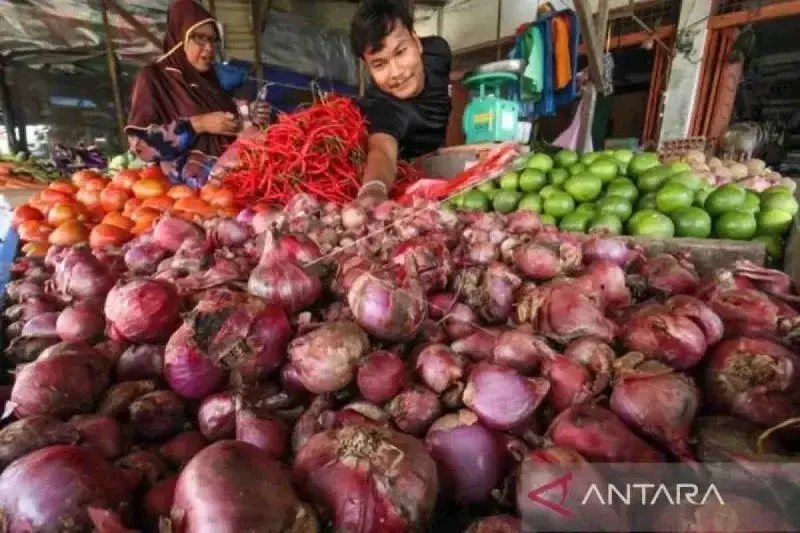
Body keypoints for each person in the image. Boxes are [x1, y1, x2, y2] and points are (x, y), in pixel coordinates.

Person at [125, 0, 268, 188]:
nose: (209, 48)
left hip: (231, 187)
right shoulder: (155, 78)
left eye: (212, 40)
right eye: (199, 38)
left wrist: (249, 116)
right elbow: (142, 145)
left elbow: (227, 125)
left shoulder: (211, 81)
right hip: (182, 195)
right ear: (179, 38)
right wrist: (199, 124)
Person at [350, 0, 452, 205]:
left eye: (400, 52)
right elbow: (383, 151)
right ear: (368, 68)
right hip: (409, 184)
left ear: (417, 42)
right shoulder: (380, 105)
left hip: (442, 159)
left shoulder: (438, 52)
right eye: (379, 64)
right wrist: (373, 189)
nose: (396, 73)